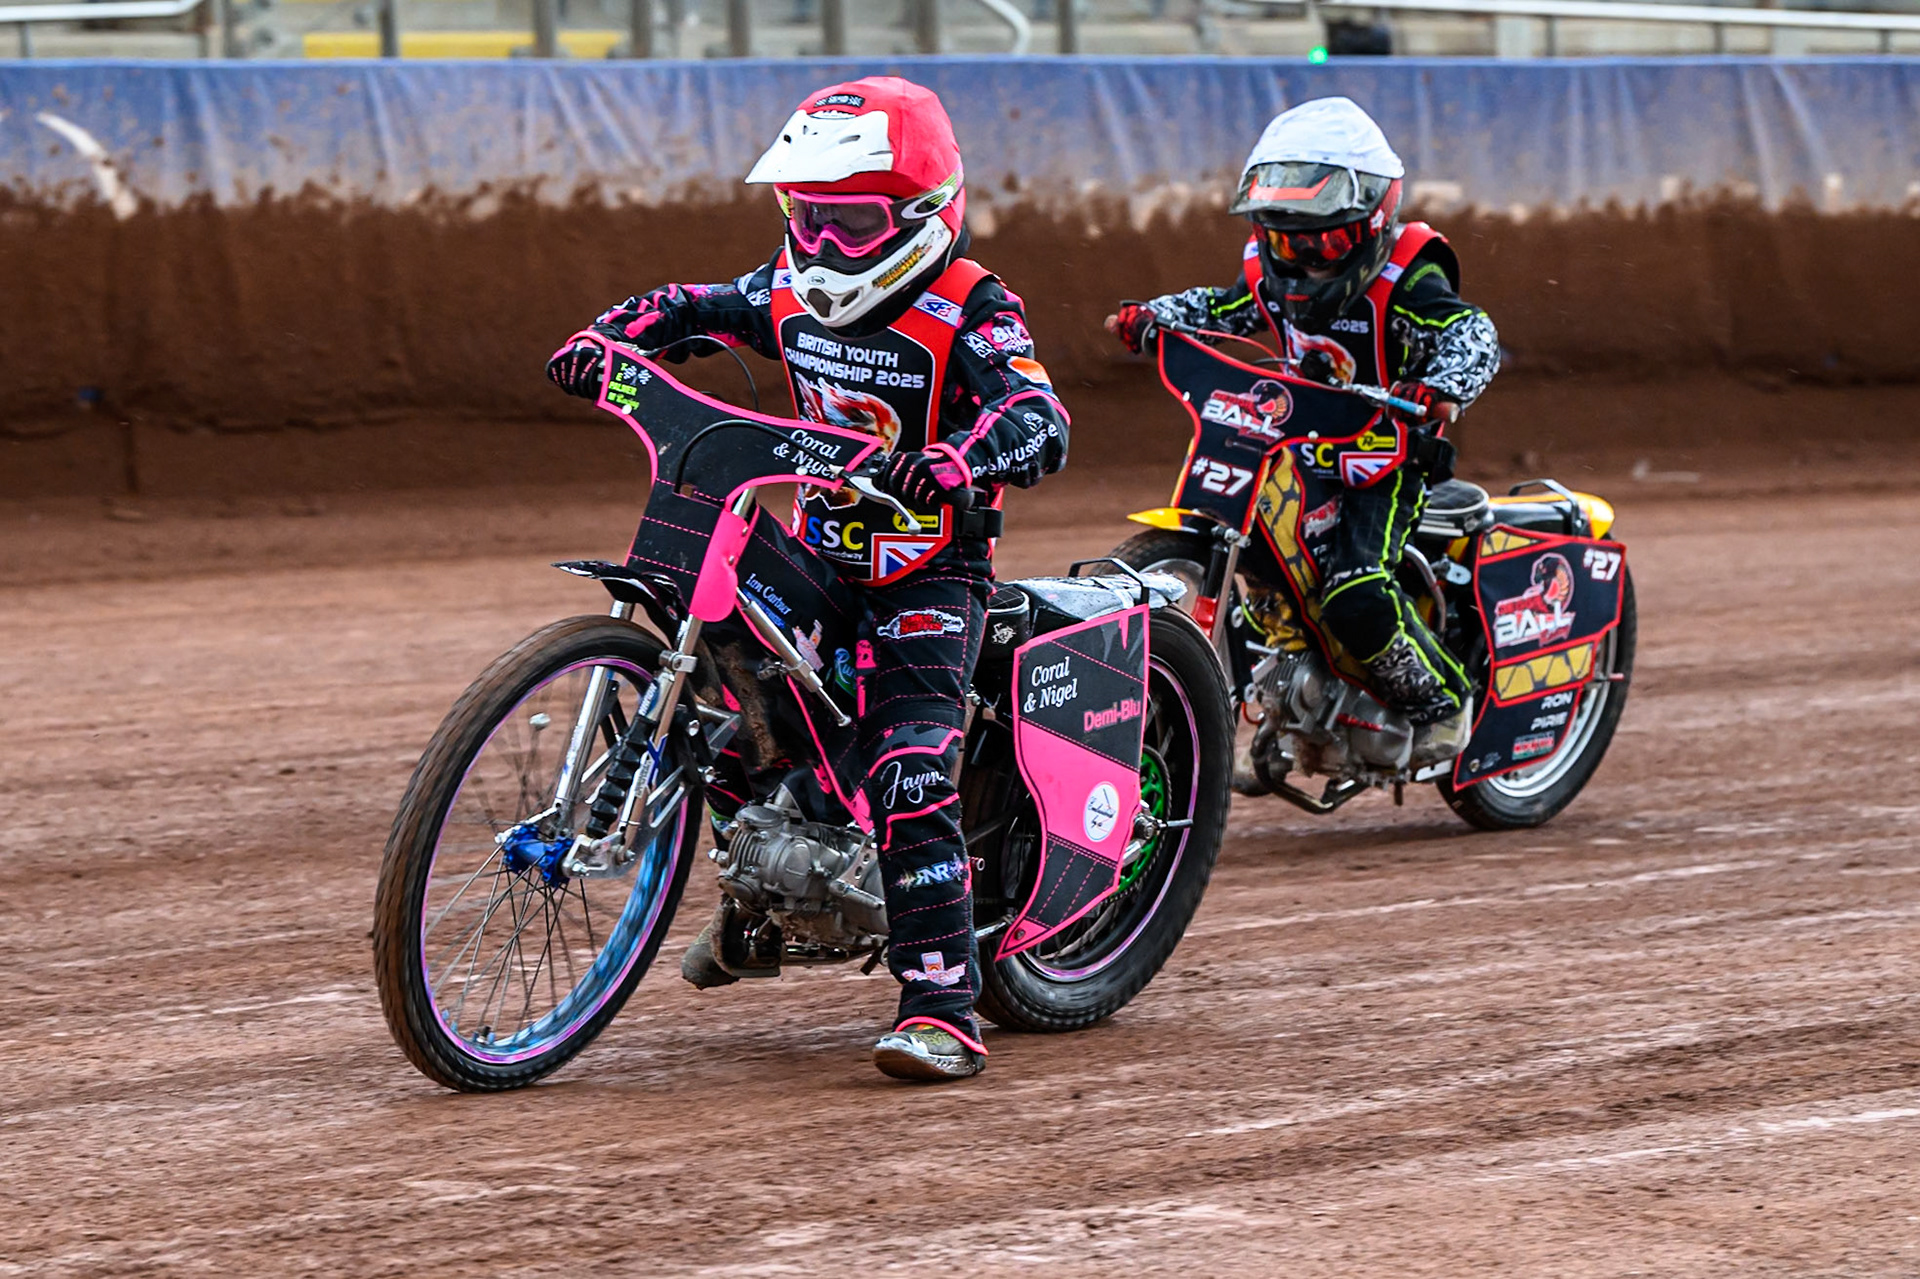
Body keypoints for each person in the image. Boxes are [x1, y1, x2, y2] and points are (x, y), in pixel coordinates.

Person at [547, 76, 1068, 1081]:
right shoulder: (781, 285)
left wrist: (959, 459)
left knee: (910, 767)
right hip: (818, 552)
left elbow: (1038, 416)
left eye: (850, 222)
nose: (821, 246)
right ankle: (766, 903)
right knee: (726, 705)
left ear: (925, 214)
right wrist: (604, 341)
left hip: (929, 571)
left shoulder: (972, 304)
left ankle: (942, 1005)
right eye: (805, 217)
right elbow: (686, 306)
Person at [1105, 96, 1499, 775]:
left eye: (1323, 239)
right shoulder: (1268, 273)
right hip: (1290, 447)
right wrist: (1155, 316)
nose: (1305, 259)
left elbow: (1473, 332)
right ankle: (1262, 713)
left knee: (1352, 590)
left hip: (1383, 460)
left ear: (1373, 220)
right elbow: (1223, 307)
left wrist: (1440, 384)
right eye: (1288, 239)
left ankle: (1441, 703)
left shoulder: (1410, 275)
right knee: (1258, 566)